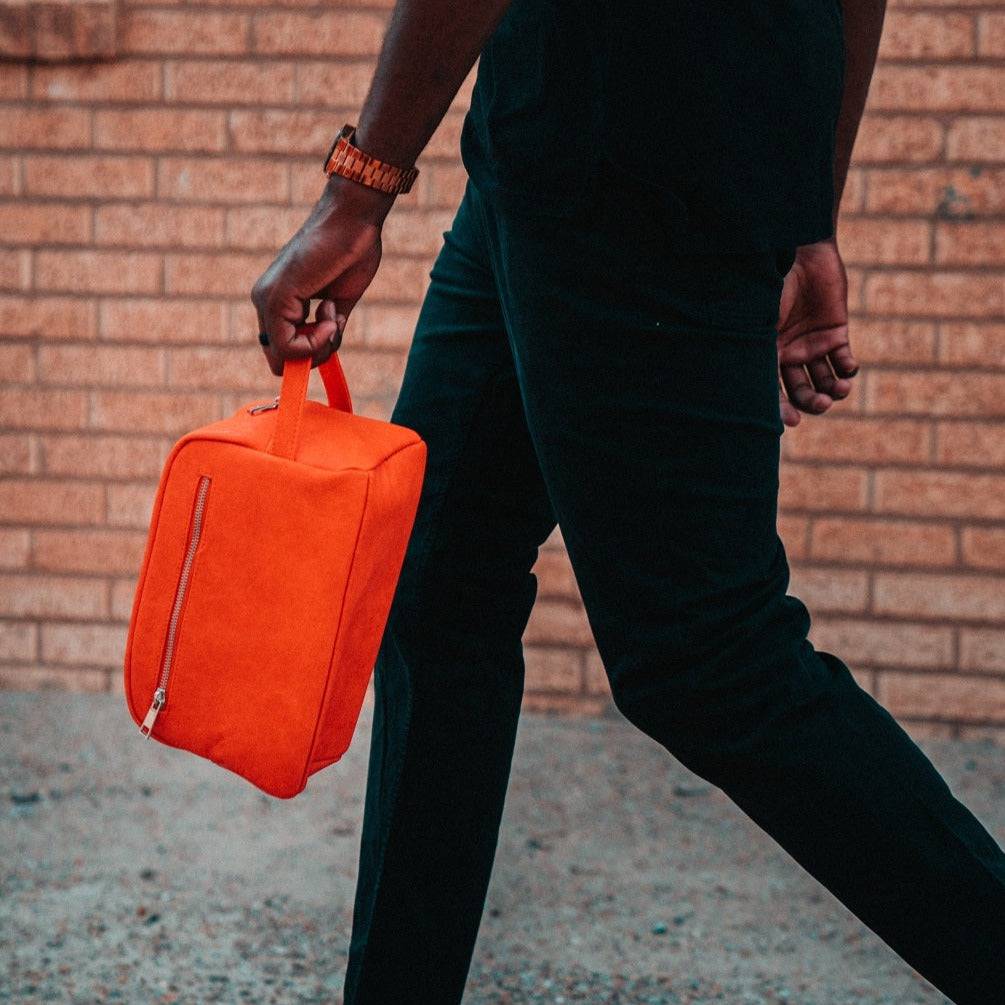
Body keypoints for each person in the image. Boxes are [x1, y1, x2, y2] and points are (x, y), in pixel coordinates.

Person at [250, 1, 1005, 1002]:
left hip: (635, 163)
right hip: (539, 164)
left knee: (709, 659)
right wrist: (806, 217)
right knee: (436, 583)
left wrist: (358, 192)